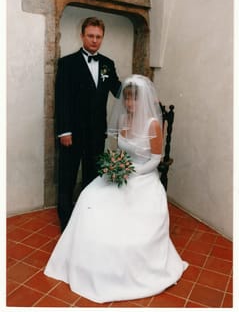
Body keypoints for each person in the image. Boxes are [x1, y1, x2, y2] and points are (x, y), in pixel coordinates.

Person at [45, 74, 188, 303]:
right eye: (127, 99)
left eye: (135, 100)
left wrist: (132, 172)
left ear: (144, 101)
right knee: (89, 196)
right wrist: (115, 165)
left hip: (142, 177)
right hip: (121, 172)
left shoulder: (153, 124)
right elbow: (120, 150)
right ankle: (86, 262)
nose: (130, 104)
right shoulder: (122, 121)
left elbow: (155, 159)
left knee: (122, 214)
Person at [55, 17, 121, 232]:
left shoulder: (108, 64)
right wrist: (64, 131)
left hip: (96, 133)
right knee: (68, 176)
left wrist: (142, 92)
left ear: (102, 38)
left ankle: (87, 219)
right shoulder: (67, 63)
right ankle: (65, 223)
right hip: (72, 133)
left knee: (92, 177)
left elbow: (118, 90)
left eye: (98, 37)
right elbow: (62, 100)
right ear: (82, 36)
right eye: (90, 36)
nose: (94, 40)